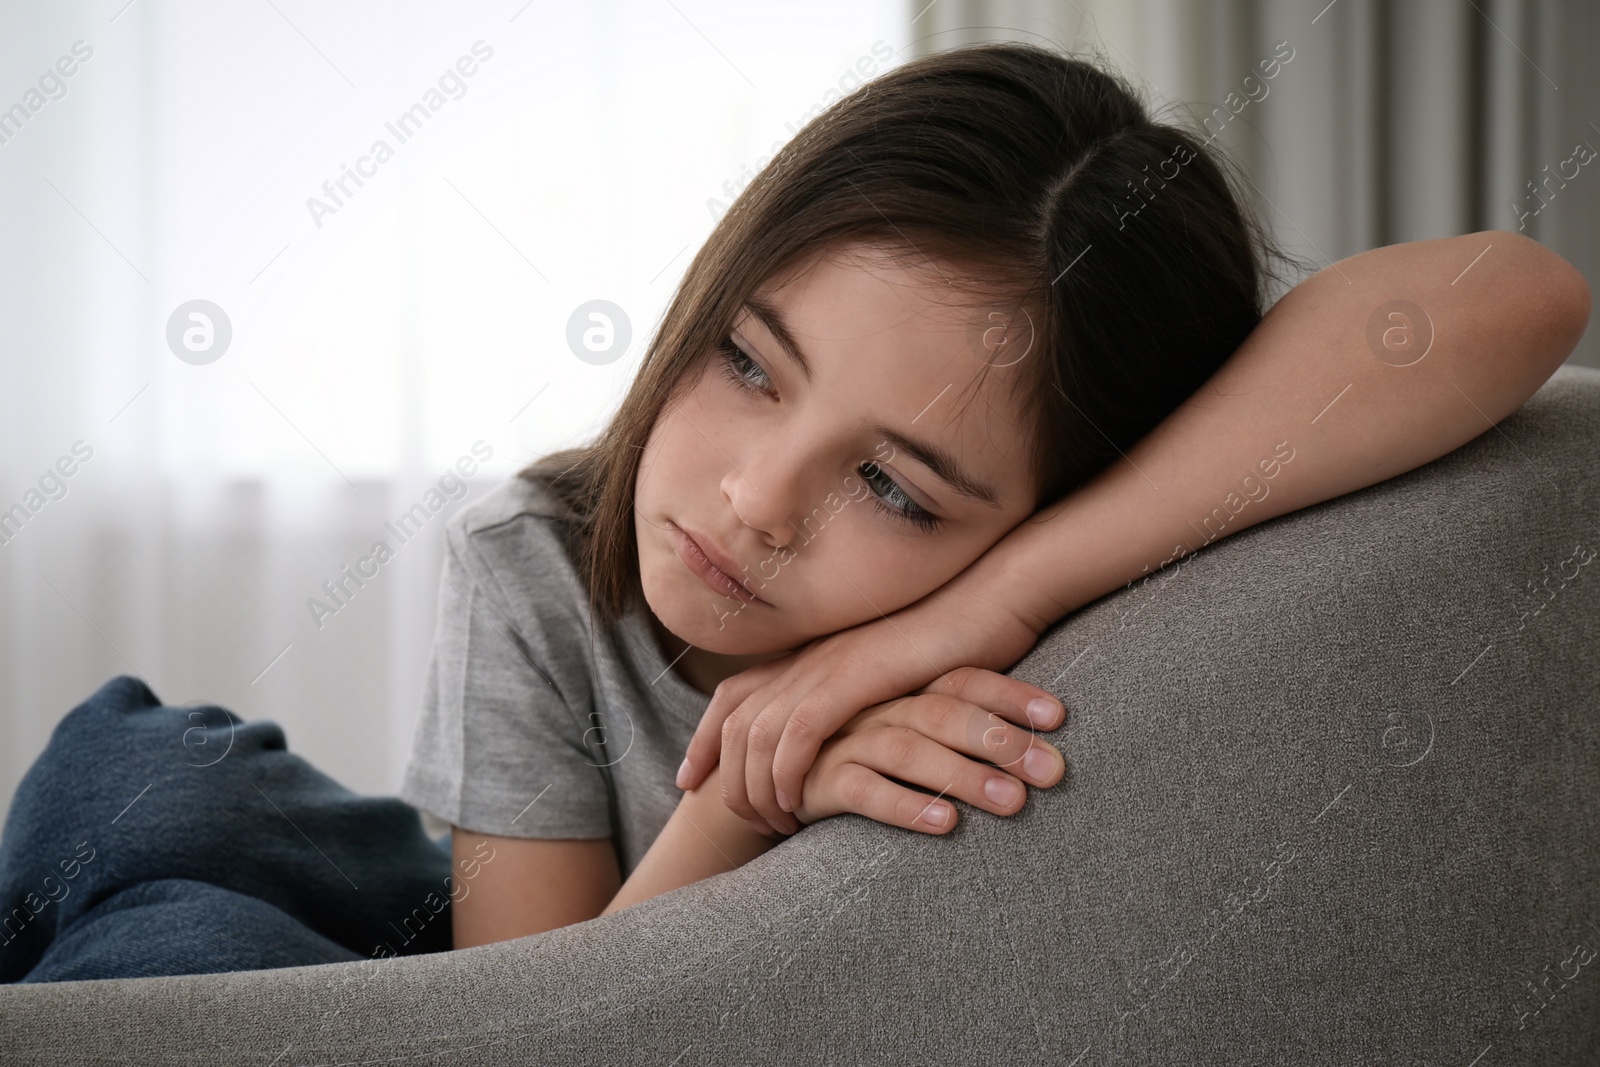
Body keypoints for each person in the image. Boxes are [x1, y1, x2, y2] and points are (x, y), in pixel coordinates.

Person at [0, 41, 1587, 982]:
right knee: (143, 776)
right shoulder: (543, 556)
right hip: (480, 951)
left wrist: (981, 614)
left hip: (609, 974)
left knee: (186, 942)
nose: (752, 502)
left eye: (894, 486)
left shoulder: (1079, 582)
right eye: (751, 366)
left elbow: (1513, 296)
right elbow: (505, 1001)